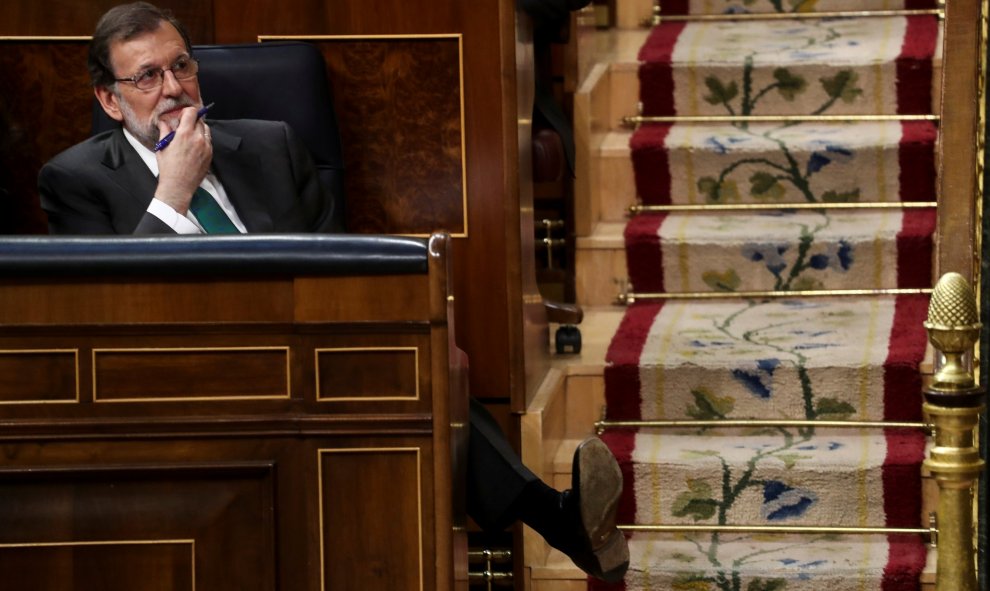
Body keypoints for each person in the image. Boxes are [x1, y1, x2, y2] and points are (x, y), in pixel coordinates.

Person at [38, 2, 629, 582]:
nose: (173, 88)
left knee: (412, 366)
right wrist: (172, 193)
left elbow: (344, 277)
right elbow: (110, 304)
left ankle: (539, 527)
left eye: (182, 66)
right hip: (178, 375)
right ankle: (555, 521)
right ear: (110, 100)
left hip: (304, 355)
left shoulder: (270, 146)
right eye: (146, 76)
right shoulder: (75, 179)